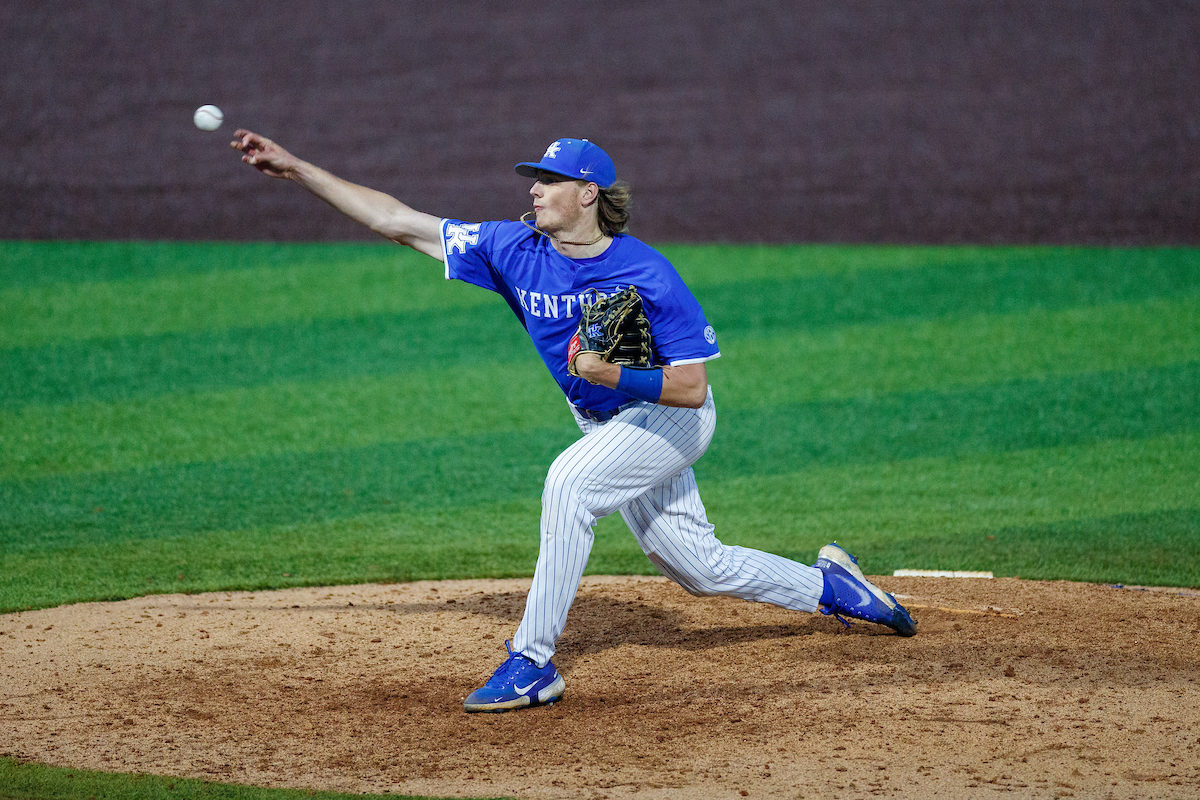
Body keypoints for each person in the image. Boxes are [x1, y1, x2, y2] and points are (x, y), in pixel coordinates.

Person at [231, 131, 918, 713]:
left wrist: (610, 373)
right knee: (700, 569)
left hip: (669, 419)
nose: (534, 190)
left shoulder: (647, 272)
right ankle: (836, 589)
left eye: (550, 181)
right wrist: (296, 168)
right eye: (534, 180)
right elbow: (398, 220)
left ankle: (532, 662)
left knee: (568, 484)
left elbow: (691, 387)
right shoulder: (513, 248)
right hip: (607, 427)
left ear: (588, 194)